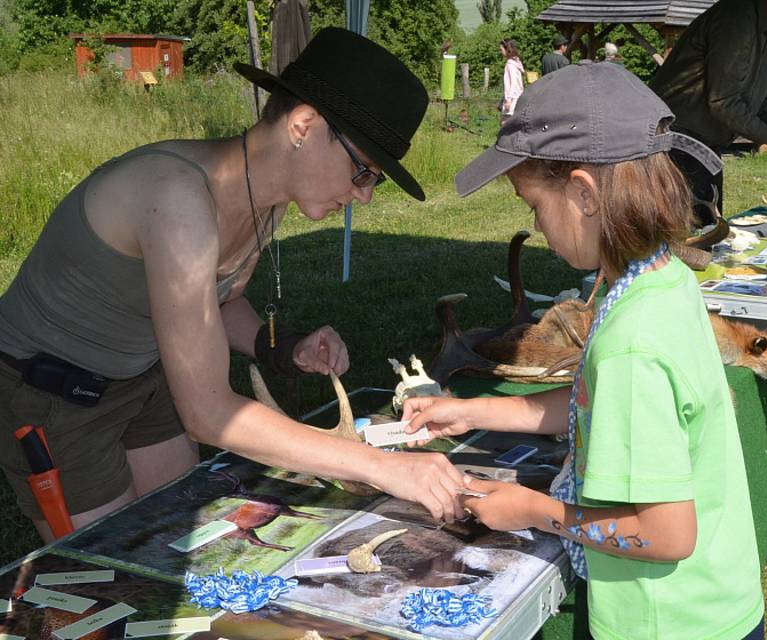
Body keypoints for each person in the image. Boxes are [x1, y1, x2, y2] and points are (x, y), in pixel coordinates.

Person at [0, 27, 465, 543]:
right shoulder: (177, 199)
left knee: (182, 537)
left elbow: (223, 301)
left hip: (143, 377)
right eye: (364, 171)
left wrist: (285, 346)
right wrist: (378, 466)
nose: (366, 196)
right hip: (54, 397)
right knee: (119, 568)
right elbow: (207, 413)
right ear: (304, 126)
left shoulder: (266, 197)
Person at [404, 61, 764, 640]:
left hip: (664, 624)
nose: (539, 226)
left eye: (534, 205)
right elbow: (597, 402)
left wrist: (530, 509)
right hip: (716, 604)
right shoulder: (664, 282)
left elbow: (667, 534)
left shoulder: (631, 344)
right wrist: (472, 411)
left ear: (583, 194)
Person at [650, 0, 767, 224]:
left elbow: (766, 101)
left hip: (703, 150)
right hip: (673, 147)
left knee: (709, 232)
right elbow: (723, 102)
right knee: (684, 237)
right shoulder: (737, 17)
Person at [499, 39, 525, 126]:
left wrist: (508, 99)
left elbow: (513, 83)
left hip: (513, 97)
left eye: (501, 49)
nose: (500, 52)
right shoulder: (516, 63)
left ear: (507, 50)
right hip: (517, 96)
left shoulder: (510, 65)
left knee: (505, 123)